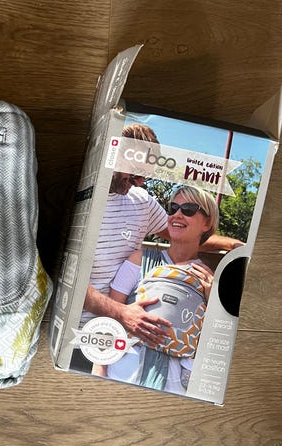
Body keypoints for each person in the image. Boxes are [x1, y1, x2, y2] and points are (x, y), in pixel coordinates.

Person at [70, 123, 242, 373]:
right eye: (137, 172)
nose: (141, 181)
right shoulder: (82, 198)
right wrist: (122, 313)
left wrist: (235, 246)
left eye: (146, 175)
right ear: (115, 151)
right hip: (80, 334)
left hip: (122, 338)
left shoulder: (141, 201)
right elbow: (71, 280)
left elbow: (181, 233)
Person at [93, 185, 218, 395]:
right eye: (173, 208)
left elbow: (211, 341)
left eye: (188, 209)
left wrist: (214, 303)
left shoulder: (208, 280)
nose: (177, 215)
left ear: (207, 223)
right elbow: (109, 317)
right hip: (121, 374)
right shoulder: (140, 261)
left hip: (173, 388)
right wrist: (98, 369)